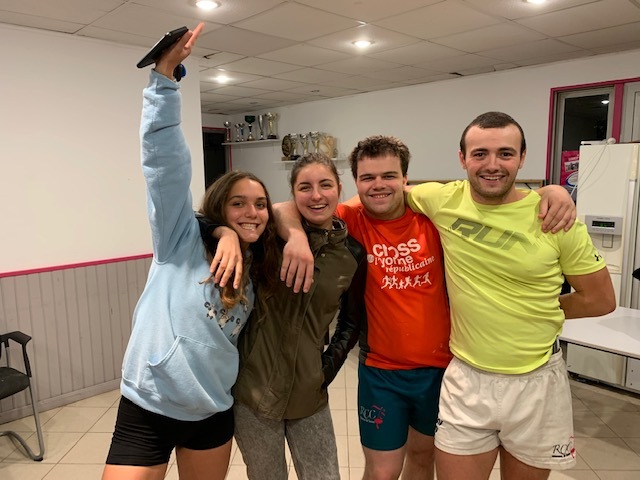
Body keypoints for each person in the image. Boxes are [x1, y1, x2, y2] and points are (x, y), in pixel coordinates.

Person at [276, 135, 577, 480]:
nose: (378, 185)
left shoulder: (434, 216)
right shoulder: (351, 218)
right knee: (382, 472)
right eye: (368, 177)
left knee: (422, 459)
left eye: (389, 176)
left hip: (441, 370)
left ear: (405, 179)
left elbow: (495, 196)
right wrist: (296, 237)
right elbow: (284, 208)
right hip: (381, 372)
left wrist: (552, 191)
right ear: (355, 183)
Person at [102, 24, 280, 480]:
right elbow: (165, 166)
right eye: (239, 203)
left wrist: (287, 232)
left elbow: (302, 211)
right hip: (148, 403)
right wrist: (164, 81)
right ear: (219, 206)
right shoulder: (179, 240)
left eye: (260, 204)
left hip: (211, 410)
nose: (252, 212)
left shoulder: (263, 263)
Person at [406, 111, 616, 480]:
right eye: (480, 154)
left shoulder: (556, 219)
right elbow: (381, 193)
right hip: (467, 379)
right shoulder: (440, 199)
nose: (492, 165)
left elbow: (600, 299)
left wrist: (535, 309)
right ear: (462, 159)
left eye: (505, 153)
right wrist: (296, 225)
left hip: (537, 381)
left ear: (522, 157)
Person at [199, 152, 367, 480]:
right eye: (305, 187)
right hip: (252, 392)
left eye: (325, 185)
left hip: (309, 393)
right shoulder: (268, 239)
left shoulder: (353, 254)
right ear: (293, 194)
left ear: (339, 188)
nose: (316, 195)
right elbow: (204, 220)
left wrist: (325, 370)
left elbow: (351, 322)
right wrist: (227, 234)